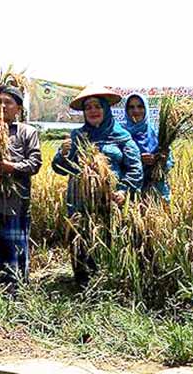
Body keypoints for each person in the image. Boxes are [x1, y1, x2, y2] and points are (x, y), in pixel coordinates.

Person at [52, 85, 143, 284]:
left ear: (106, 109)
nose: (93, 111)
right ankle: (83, 284)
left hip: (111, 201)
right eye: (88, 107)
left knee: (110, 238)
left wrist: (123, 189)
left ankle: (110, 285)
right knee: (81, 238)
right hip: (80, 200)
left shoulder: (122, 136)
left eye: (97, 106)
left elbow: (135, 168)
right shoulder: (77, 136)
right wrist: (62, 154)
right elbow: (61, 168)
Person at [0, 85, 42, 290]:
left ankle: (16, 292)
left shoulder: (27, 132)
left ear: (18, 109)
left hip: (14, 205)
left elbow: (35, 163)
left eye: (8, 102)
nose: (2, 106)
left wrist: (10, 167)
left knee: (14, 251)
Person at [123, 93, 174, 202]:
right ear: (126, 110)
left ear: (146, 109)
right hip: (130, 192)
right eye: (131, 107)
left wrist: (161, 160)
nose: (136, 111)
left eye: (140, 106)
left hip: (156, 191)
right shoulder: (120, 134)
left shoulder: (157, 134)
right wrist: (137, 160)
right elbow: (115, 162)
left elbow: (169, 163)